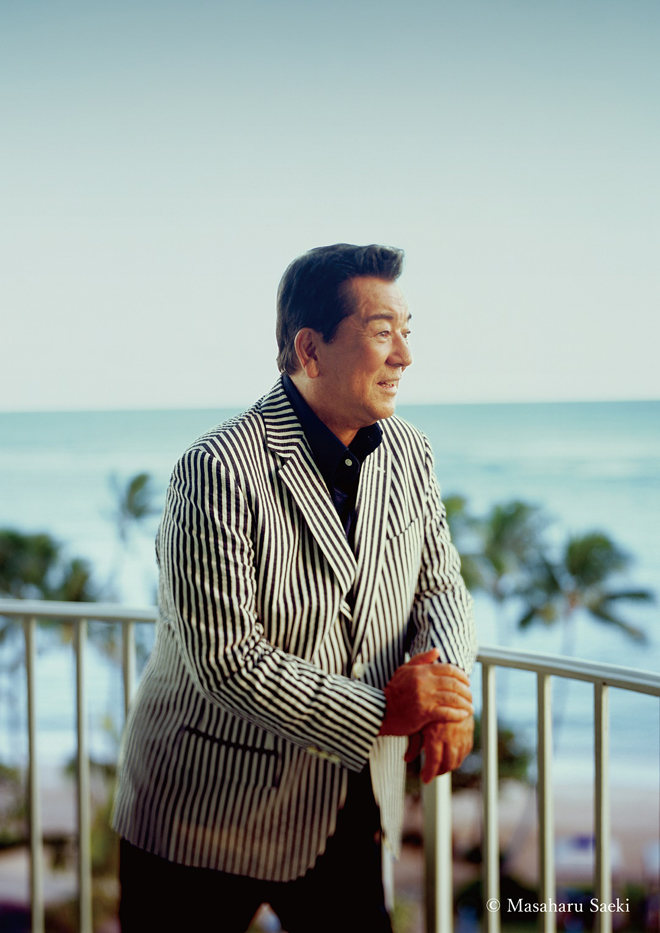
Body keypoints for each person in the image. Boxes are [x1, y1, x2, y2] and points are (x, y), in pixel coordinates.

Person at [112, 243, 478, 932]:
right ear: (310, 349)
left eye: (407, 331)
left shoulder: (411, 450)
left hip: (346, 804)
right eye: (382, 332)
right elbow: (227, 660)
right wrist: (385, 711)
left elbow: (441, 586)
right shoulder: (216, 468)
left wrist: (448, 691)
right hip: (203, 813)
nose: (405, 355)